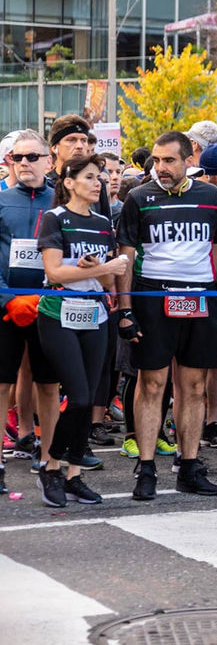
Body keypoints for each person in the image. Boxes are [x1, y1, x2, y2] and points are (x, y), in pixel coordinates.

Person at [115, 131, 217, 500]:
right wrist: (125, 308)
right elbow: (126, 257)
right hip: (153, 298)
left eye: (169, 161)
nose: (160, 168)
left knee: (194, 387)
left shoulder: (211, 197)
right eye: (156, 161)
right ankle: (146, 467)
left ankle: (190, 465)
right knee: (152, 384)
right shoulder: (138, 197)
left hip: (200, 297)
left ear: (187, 162)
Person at [33, 154, 124, 506]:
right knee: (80, 396)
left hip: (95, 314)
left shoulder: (103, 222)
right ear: (69, 183)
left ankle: (73, 475)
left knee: (89, 402)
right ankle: (50, 465)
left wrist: (100, 267)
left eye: (98, 177)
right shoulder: (55, 219)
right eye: (89, 177)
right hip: (58, 313)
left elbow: (102, 276)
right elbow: (54, 273)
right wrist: (97, 269)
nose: (97, 182)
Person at [0, 130, 61, 482]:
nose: (24, 163)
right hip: (7, 308)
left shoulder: (60, 202)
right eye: (17, 157)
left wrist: (46, 296)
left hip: (48, 305)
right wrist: (9, 298)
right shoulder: (2, 200)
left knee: (49, 384)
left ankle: (51, 457)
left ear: (48, 161)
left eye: (32, 157)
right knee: (2, 383)